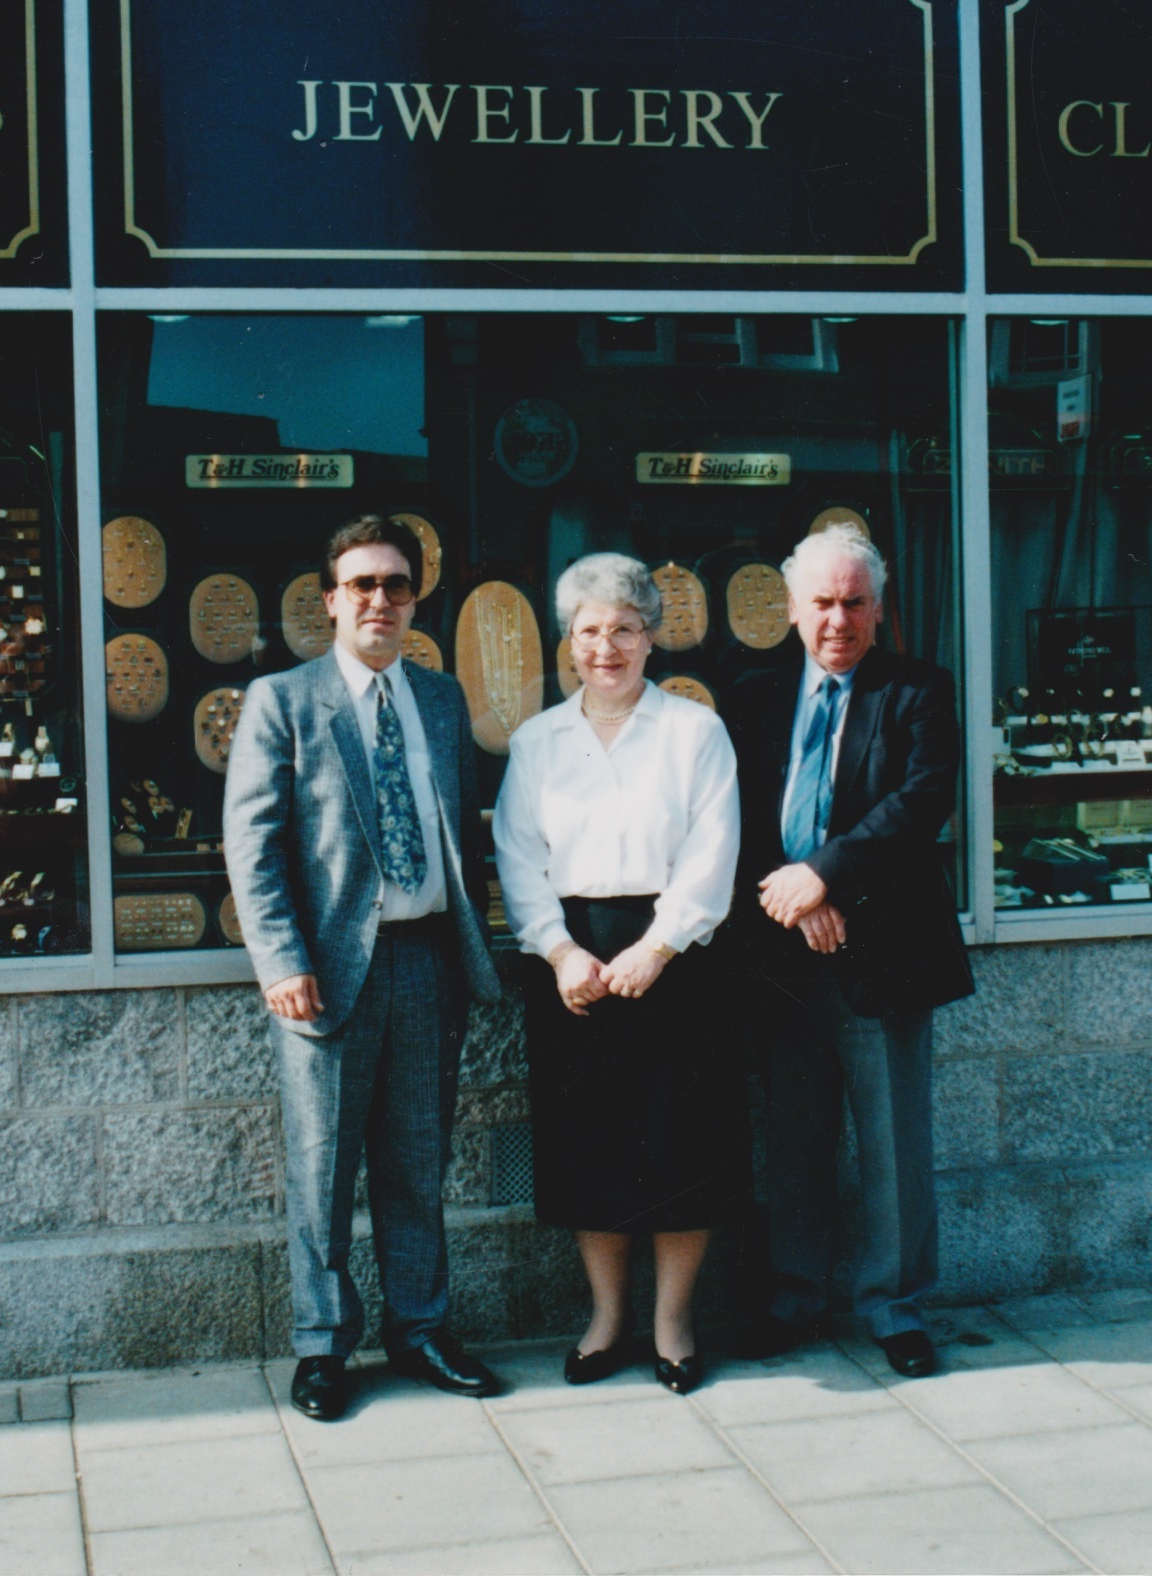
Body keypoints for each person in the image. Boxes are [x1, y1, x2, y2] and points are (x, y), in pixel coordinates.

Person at [223, 514, 506, 1422]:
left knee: (416, 1166)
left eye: (396, 584)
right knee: (322, 1169)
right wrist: (280, 959)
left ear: (415, 600)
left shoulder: (442, 700)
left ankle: (421, 1330)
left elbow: (461, 832)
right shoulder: (284, 700)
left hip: (427, 964)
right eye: (362, 585)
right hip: (326, 977)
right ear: (331, 600)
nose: (380, 600)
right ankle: (322, 1348)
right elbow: (253, 847)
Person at [722, 523, 974, 1379]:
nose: (838, 620)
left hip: (885, 951)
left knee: (894, 1139)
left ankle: (894, 1307)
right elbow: (733, 818)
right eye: (822, 603)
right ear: (792, 610)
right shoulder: (752, 695)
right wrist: (795, 899)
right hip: (781, 960)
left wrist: (825, 877)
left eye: (854, 603)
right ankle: (794, 1298)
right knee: (796, 1137)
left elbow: (920, 802)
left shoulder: (917, 691)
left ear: (878, 608)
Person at [493, 553, 742, 1395]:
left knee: (682, 1146)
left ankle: (673, 1323)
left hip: (677, 958)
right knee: (588, 1151)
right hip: (573, 962)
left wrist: (659, 946)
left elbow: (714, 853)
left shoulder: (694, 732)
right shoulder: (536, 742)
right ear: (569, 642)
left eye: (625, 630)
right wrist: (561, 951)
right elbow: (518, 859)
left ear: (651, 637)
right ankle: (606, 1320)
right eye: (591, 631)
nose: (607, 647)